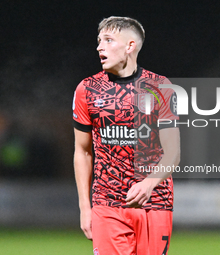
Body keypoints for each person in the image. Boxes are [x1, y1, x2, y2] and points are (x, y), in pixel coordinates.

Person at [73, 16, 180, 255]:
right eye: (99, 41)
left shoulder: (160, 87)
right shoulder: (87, 89)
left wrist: (149, 184)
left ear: (130, 46)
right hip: (107, 203)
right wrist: (84, 206)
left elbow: (173, 154)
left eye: (108, 40)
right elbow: (82, 151)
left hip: (155, 202)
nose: (99, 47)